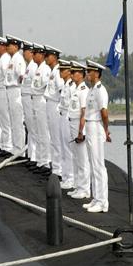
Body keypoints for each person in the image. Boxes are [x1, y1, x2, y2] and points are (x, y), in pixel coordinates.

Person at [82, 59, 111, 213]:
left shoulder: (101, 91)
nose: (87, 74)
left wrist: (106, 130)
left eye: (90, 71)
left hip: (96, 126)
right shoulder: (92, 90)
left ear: (97, 73)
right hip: (89, 125)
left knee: (99, 165)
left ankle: (102, 201)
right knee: (93, 164)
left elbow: (104, 113)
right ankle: (96, 197)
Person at [66, 61, 91, 201]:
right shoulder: (75, 89)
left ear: (81, 74)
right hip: (72, 123)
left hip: (78, 125)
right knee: (76, 157)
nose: (71, 74)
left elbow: (84, 113)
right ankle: (78, 185)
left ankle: (85, 189)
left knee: (82, 159)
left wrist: (81, 132)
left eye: (74, 72)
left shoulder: (83, 91)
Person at [30, 44, 52, 175]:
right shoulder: (38, 68)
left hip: (41, 100)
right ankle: (40, 160)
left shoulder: (45, 69)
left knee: (43, 132)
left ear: (41, 55)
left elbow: (45, 85)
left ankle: (45, 161)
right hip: (35, 100)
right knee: (38, 131)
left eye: (35, 53)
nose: (32, 55)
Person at [44, 47, 64, 182]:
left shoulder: (57, 72)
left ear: (55, 57)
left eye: (48, 56)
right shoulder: (53, 71)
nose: (46, 58)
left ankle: (58, 169)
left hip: (55, 105)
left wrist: (61, 108)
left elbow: (62, 91)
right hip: (50, 104)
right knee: (53, 138)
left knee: (56, 139)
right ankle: (56, 167)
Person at [5, 36, 26, 157]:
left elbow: (22, 76)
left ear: (16, 47)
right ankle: (15, 147)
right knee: (13, 120)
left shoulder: (18, 58)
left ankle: (20, 149)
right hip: (10, 90)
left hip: (16, 90)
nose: (8, 47)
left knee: (18, 121)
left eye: (10, 45)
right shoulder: (12, 59)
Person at [0, 36, 12, 156]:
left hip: (3, 91)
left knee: (5, 120)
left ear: (3, 47)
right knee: (2, 120)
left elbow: (6, 77)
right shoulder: (1, 59)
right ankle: (5, 145)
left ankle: (8, 146)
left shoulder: (5, 60)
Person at [20, 42, 37, 165]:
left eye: (25, 51)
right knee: (30, 128)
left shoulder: (34, 67)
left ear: (30, 52)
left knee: (33, 129)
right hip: (26, 98)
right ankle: (31, 155)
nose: (23, 53)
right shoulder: (28, 66)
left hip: (31, 99)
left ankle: (35, 156)